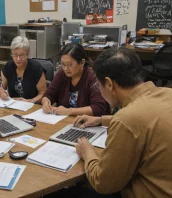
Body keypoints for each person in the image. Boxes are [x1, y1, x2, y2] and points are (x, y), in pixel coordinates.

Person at [74, 48, 172, 197]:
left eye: (98, 85)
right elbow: (147, 119)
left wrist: (87, 152)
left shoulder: (127, 119)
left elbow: (103, 183)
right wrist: (101, 120)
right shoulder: (167, 94)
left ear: (108, 83)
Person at [42, 43, 110, 116]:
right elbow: (48, 94)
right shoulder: (61, 74)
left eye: (69, 65)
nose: (65, 68)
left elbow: (98, 108)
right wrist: (46, 102)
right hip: (64, 120)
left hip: (89, 123)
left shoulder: (92, 77)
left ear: (82, 62)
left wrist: (69, 111)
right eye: (63, 64)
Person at [0, 36, 47, 103]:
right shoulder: (8, 67)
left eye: (21, 55)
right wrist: (2, 93)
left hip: (31, 106)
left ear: (27, 53)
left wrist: (30, 101)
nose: (18, 59)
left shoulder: (36, 69)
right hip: (12, 104)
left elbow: (43, 94)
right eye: (15, 55)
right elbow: (2, 88)